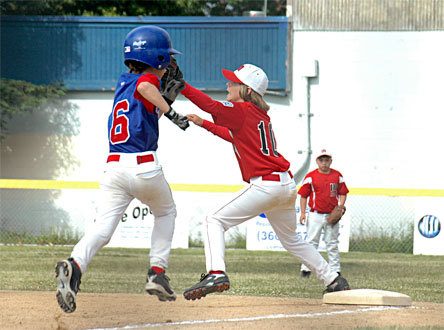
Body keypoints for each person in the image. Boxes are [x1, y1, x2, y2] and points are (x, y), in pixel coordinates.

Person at [179, 63, 350, 300]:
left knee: (213, 220)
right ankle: (333, 278)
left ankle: (216, 272)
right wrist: (203, 123)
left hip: (266, 185)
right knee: (292, 240)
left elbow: (212, 106)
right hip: (285, 185)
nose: (228, 84)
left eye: (234, 82)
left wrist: (183, 87)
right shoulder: (258, 115)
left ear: (247, 90)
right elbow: (232, 135)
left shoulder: (242, 110)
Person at [55, 25, 189, 313]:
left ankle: (75, 265)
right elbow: (146, 87)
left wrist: (168, 99)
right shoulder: (145, 82)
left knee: (102, 229)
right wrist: (173, 112)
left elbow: (145, 98)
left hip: (114, 168)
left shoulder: (123, 82)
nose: (170, 66)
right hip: (143, 167)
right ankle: (157, 272)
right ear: (159, 59)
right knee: (166, 212)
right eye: (167, 59)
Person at [299, 149, 349, 278]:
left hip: (331, 214)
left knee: (332, 243)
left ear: (330, 161)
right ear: (317, 161)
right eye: (321, 160)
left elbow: (343, 192)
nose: (324, 163)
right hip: (315, 214)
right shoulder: (311, 176)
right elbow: (303, 196)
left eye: (327, 160)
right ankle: (306, 269)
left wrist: (340, 206)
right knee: (311, 242)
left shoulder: (337, 176)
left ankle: (335, 270)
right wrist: (303, 213)